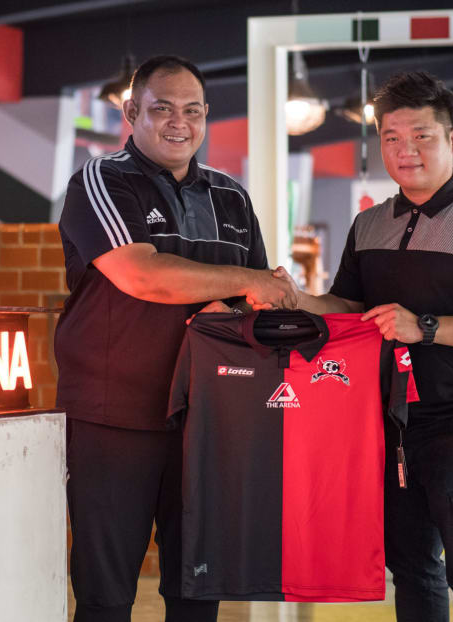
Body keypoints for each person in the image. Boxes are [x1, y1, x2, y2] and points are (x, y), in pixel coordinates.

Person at [269, 71, 453, 622]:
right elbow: (347, 306)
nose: (405, 150)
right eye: (391, 137)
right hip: (389, 424)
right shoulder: (368, 225)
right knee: (412, 566)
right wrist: (294, 298)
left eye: (421, 136)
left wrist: (427, 327)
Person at [54, 55, 295, 622]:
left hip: (209, 421)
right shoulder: (102, 180)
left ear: (207, 116)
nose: (177, 122)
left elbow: (253, 300)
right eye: (161, 109)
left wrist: (246, 297)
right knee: (105, 594)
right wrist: (246, 282)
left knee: (197, 592)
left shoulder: (231, 197)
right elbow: (142, 274)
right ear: (132, 112)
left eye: (192, 111)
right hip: (116, 418)